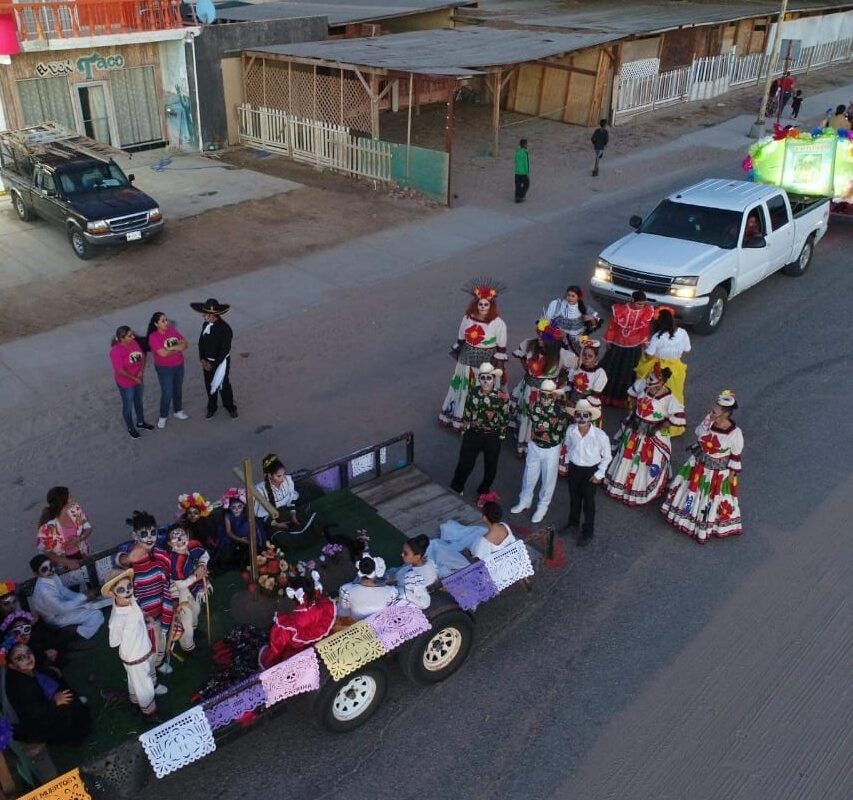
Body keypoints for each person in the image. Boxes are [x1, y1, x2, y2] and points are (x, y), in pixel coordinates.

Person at [662, 389, 744, 543]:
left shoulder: (735, 434)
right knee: (691, 491)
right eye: (711, 410)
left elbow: (735, 456)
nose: (711, 413)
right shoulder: (709, 421)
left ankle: (702, 523)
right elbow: (699, 433)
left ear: (725, 414)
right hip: (699, 465)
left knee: (707, 498)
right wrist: (708, 421)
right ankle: (685, 514)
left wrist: (731, 477)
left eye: (714, 412)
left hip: (715, 473)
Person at [605, 364, 685, 507]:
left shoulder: (669, 399)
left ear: (662, 382)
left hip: (652, 436)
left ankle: (639, 488)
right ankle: (621, 484)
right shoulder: (643, 385)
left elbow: (677, 417)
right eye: (649, 383)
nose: (650, 388)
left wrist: (658, 426)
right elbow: (633, 395)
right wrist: (636, 413)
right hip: (635, 430)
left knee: (645, 461)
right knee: (627, 456)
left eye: (654, 385)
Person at [439, 279, 508, 431]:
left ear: (491, 306)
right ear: (476, 304)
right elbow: (461, 337)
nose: (483, 307)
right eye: (480, 304)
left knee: (483, 387)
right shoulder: (467, 318)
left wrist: (500, 366)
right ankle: (459, 417)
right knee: (464, 386)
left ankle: (481, 419)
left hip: (487, 361)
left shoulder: (498, 323)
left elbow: (501, 348)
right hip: (467, 357)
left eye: (486, 304)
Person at [103, 568, 166, 721]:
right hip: (135, 656)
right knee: (143, 684)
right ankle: (149, 713)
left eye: (129, 586)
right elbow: (114, 642)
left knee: (134, 680)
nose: (127, 591)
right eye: (121, 589)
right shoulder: (117, 619)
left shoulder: (130, 600)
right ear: (112, 593)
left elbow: (138, 611)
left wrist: (145, 616)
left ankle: (134, 700)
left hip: (142, 648)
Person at [115, 511, 173, 673]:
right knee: (148, 647)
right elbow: (119, 560)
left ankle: (159, 664)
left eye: (153, 533)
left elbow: (169, 577)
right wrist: (128, 559)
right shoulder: (130, 553)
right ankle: (150, 675)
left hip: (161, 607)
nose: (149, 537)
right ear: (135, 535)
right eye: (144, 534)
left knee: (161, 640)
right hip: (142, 614)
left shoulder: (161, 554)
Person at [1, 640, 91, 745]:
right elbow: (35, 713)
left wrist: (46, 656)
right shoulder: (22, 686)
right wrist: (55, 702)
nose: (28, 658)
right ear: (12, 665)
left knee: (54, 675)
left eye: (28, 653)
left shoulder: (24, 669)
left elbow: (37, 658)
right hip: (38, 722)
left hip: (44, 699)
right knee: (75, 722)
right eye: (20, 658)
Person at [510, 318, 576, 457]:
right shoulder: (529, 345)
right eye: (539, 336)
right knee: (527, 414)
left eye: (543, 338)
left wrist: (560, 383)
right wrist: (528, 373)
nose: (539, 339)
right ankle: (523, 444)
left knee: (541, 417)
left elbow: (575, 368)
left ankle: (536, 444)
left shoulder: (561, 354)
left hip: (547, 393)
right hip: (528, 388)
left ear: (552, 341)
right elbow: (521, 356)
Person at [450, 362, 510, 504]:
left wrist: (499, 437)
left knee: (491, 468)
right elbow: (467, 411)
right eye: (482, 378)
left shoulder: (501, 397)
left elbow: (504, 417)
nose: (485, 382)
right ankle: (456, 488)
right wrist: (466, 430)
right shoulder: (473, 392)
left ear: (493, 379)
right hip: (474, 434)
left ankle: (484, 490)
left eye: (488, 378)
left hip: (492, 436)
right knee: (464, 464)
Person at [511, 379, 570, 524]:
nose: (545, 398)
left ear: (554, 397)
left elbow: (562, 433)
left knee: (548, 480)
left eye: (549, 396)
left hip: (551, 449)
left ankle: (542, 506)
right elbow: (533, 422)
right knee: (529, 475)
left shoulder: (560, 413)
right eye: (543, 395)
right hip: (535, 446)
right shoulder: (535, 406)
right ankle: (525, 500)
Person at [258, 572, 336, 670]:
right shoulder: (321, 607)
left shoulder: (288, 623)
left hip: (297, 659)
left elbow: (277, 646)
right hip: (320, 650)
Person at [561, 399, 612, 547]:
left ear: (590, 417)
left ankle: (588, 531)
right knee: (574, 498)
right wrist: (568, 463)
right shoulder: (571, 430)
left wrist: (599, 474)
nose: (582, 418)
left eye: (585, 415)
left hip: (590, 472)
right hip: (574, 469)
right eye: (579, 415)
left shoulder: (600, 436)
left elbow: (607, 456)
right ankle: (573, 522)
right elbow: (568, 446)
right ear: (574, 416)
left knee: (589, 502)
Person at [635, 307, 690, 436]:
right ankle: (673, 425)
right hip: (676, 368)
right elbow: (687, 350)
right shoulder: (683, 333)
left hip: (659, 368)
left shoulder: (657, 337)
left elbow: (649, 355)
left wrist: (646, 346)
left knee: (654, 395)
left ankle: (651, 419)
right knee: (675, 396)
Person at [426, 502, 517, 577]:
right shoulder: (505, 526)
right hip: (501, 559)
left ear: (485, 518)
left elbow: (475, 561)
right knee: (479, 531)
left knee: (442, 550)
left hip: (487, 569)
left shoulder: (483, 541)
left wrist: (465, 553)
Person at [599, 290, 655, 409]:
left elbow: (644, 329)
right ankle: (603, 395)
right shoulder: (621, 310)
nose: (642, 306)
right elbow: (613, 326)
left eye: (643, 304)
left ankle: (622, 400)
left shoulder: (646, 312)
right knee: (610, 368)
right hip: (617, 345)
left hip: (633, 347)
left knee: (628, 372)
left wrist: (644, 342)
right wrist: (609, 340)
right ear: (632, 301)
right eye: (639, 303)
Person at [27, 555, 104, 640]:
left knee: (92, 605)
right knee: (96, 615)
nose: (50, 570)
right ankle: (79, 635)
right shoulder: (44, 591)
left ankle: (76, 631)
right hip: (55, 618)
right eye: (44, 569)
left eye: (51, 565)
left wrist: (83, 597)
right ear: (36, 573)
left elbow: (64, 592)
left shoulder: (53, 576)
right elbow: (61, 608)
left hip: (63, 608)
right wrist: (83, 597)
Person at [191, 297, 238, 420]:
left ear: (214, 315)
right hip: (207, 362)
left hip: (220, 362)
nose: (204, 316)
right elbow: (201, 342)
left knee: (223, 384)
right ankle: (212, 407)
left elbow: (224, 350)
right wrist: (202, 359)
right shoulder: (205, 324)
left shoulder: (225, 329)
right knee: (209, 385)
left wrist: (214, 365)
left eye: (206, 314)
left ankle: (230, 406)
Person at [165, 525, 209, 655]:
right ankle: (188, 647)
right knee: (186, 624)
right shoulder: (174, 560)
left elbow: (205, 554)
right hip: (178, 592)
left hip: (190, 585)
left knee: (196, 609)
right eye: (175, 538)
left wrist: (201, 565)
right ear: (169, 543)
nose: (180, 540)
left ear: (187, 536)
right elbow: (179, 585)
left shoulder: (193, 545)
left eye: (182, 536)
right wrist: (196, 576)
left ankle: (194, 633)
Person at [146, 312, 190, 429]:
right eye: (163, 321)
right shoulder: (153, 337)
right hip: (164, 369)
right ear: (156, 324)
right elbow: (163, 354)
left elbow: (185, 344)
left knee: (178, 389)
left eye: (166, 320)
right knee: (167, 392)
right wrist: (177, 347)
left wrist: (172, 348)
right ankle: (163, 415)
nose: (166, 323)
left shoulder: (172, 331)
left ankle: (178, 410)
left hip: (179, 365)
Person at [35, 486, 93, 571]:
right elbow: (48, 553)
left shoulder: (75, 510)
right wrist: (68, 562)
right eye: (70, 496)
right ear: (63, 503)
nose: (73, 497)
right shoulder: (48, 528)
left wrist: (80, 538)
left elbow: (88, 528)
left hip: (83, 552)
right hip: (63, 566)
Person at [110, 325, 152, 439]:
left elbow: (142, 357)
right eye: (129, 336)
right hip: (126, 383)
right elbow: (119, 370)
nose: (133, 337)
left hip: (138, 379)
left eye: (132, 334)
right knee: (128, 406)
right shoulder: (116, 351)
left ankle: (141, 422)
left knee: (138, 402)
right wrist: (134, 378)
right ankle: (130, 427)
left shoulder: (134, 343)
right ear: (122, 338)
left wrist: (141, 372)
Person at [337, 555, 400, 621]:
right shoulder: (391, 591)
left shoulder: (346, 589)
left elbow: (345, 607)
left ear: (359, 569)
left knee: (341, 607)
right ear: (377, 570)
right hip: (379, 624)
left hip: (356, 621)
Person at [385, 535, 438, 610]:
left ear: (417, 556)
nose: (401, 555)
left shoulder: (408, 577)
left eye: (406, 553)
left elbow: (394, 582)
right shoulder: (429, 562)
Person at [544, 285, 601, 355]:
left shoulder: (585, 309)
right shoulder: (557, 305)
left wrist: (591, 319)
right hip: (557, 341)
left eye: (573, 296)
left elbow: (593, 326)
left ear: (578, 297)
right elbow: (544, 322)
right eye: (568, 295)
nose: (570, 298)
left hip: (576, 342)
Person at [255, 454, 300, 539]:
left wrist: (294, 517)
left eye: (283, 474)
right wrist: (278, 524)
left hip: (288, 514)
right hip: (273, 522)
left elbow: (291, 501)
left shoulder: (287, 481)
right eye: (279, 476)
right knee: (281, 537)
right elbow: (264, 516)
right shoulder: (260, 490)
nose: (282, 478)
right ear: (269, 475)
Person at [217, 488, 261, 568]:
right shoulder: (228, 516)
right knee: (227, 556)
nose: (237, 509)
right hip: (232, 536)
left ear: (243, 506)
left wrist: (249, 538)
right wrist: (241, 539)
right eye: (233, 507)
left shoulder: (247, 514)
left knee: (255, 549)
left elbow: (252, 527)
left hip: (246, 534)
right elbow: (229, 532)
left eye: (239, 506)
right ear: (229, 508)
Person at [566, 337, 608, 415]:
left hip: (586, 404)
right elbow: (570, 383)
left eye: (590, 356)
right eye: (584, 354)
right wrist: (567, 398)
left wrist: (577, 405)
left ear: (596, 358)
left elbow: (595, 396)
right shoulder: (578, 366)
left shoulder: (599, 373)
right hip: (572, 398)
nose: (586, 358)